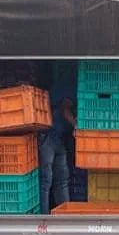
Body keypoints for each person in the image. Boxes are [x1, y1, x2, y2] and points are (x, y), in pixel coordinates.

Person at [39, 63, 76, 213]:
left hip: (58, 137)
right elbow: (65, 107)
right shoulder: (72, 82)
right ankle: (43, 217)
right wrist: (76, 126)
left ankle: (64, 215)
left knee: (62, 178)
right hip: (48, 136)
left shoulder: (70, 80)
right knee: (46, 179)